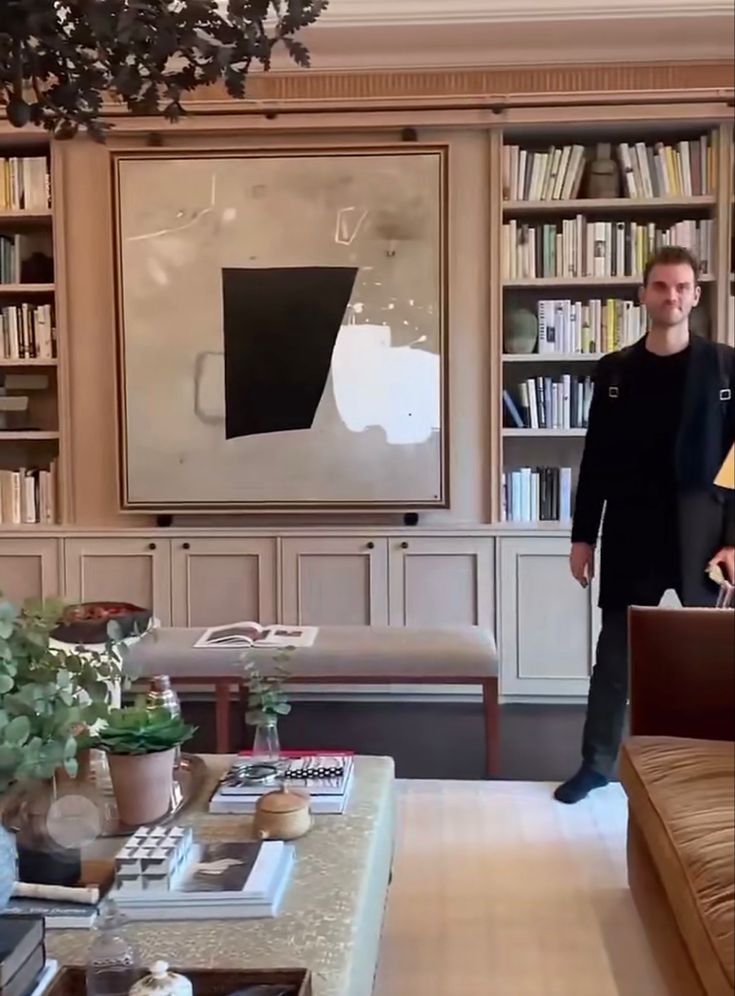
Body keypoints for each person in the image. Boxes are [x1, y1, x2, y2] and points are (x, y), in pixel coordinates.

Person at [554, 245, 735, 804]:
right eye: (661, 286)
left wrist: (733, 541)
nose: (671, 296)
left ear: (695, 296)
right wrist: (582, 536)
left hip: (701, 529)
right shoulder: (616, 370)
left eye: (681, 287)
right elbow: (598, 457)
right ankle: (596, 764)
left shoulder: (726, 365)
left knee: (709, 658)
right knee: (614, 655)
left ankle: (713, 771)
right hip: (632, 526)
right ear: (643, 294)